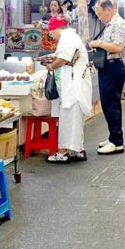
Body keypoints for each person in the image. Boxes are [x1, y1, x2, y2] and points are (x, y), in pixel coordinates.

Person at [45, 15, 92, 163]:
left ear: (57, 29)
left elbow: (64, 58)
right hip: (76, 82)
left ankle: (63, 152)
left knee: (68, 117)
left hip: (73, 85)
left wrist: (51, 66)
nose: (51, 35)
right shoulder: (71, 36)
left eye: (51, 32)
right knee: (75, 119)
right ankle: (77, 149)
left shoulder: (66, 38)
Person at [90, 0, 125, 155]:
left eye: (100, 14)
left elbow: (118, 47)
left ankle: (117, 142)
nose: (99, 18)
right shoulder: (109, 25)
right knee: (107, 103)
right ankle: (113, 136)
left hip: (114, 67)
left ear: (108, 9)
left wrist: (98, 44)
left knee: (111, 104)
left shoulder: (118, 24)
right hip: (107, 66)